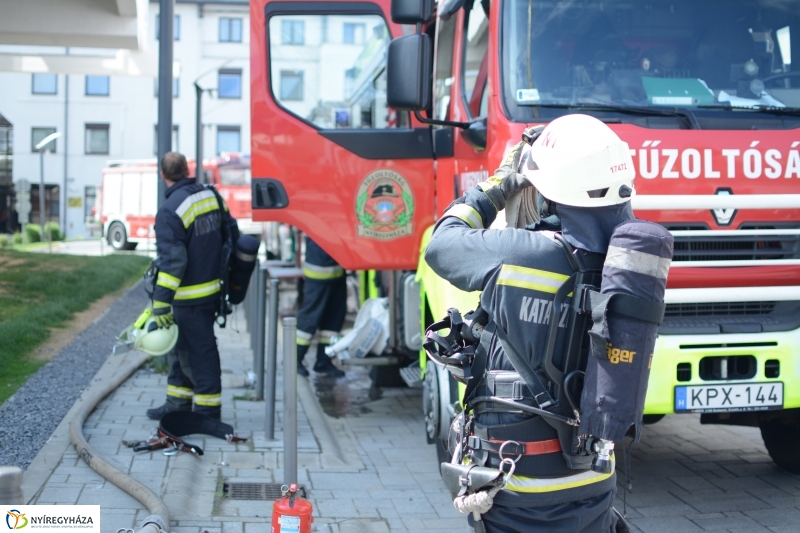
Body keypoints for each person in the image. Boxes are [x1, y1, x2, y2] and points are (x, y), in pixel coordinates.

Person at [425, 114, 635, 532]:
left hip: (520, 486)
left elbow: (442, 244)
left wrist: (499, 185)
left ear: (550, 191)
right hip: (594, 479)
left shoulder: (523, 253)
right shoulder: (629, 261)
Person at [146, 152, 239, 421]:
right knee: (182, 349)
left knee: (200, 353)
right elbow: (230, 235)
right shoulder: (210, 196)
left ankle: (208, 413)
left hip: (188, 298)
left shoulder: (169, 210)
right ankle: (177, 405)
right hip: (211, 292)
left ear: (163, 175)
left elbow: (174, 261)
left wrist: (161, 302)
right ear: (187, 170)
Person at [295, 236, 347, 378]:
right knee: (309, 318)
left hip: (337, 270)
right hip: (320, 269)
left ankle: (324, 362)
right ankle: (294, 359)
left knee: (333, 321)